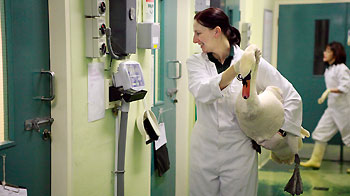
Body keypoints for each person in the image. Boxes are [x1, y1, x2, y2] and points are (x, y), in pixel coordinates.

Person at [186, 7, 303, 196]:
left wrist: (280, 133)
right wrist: (236, 69)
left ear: (216, 31)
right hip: (203, 150)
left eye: (198, 33)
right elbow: (202, 91)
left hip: (240, 151)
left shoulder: (253, 61)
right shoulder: (196, 63)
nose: (194, 40)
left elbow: (291, 96)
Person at [301, 42, 350, 169]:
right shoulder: (329, 69)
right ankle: (315, 160)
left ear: (335, 53)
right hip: (333, 109)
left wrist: (329, 91)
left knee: (349, 136)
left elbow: (345, 86)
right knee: (321, 132)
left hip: (345, 109)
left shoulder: (342, 68)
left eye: (328, 51)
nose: (324, 53)